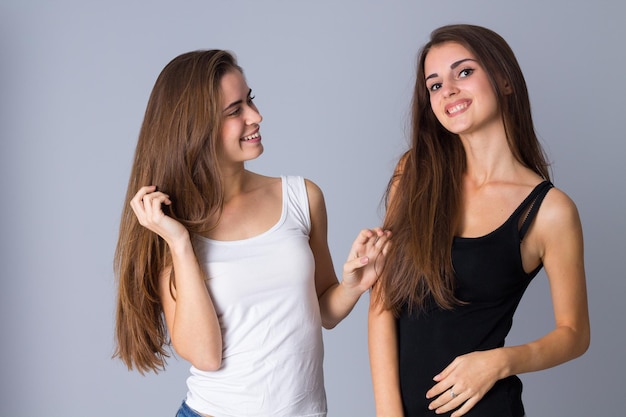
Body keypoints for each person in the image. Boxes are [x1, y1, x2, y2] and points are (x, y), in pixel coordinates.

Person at [113, 49, 390, 417]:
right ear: (195, 128)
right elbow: (207, 355)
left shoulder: (302, 197)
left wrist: (354, 285)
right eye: (235, 111)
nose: (256, 116)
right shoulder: (173, 225)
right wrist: (180, 243)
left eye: (250, 100)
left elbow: (322, 311)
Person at [368, 24, 590, 417]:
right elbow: (383, 299)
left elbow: (574, 335)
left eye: (464, 72)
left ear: (504, 80)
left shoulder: (549, 211)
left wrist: (499, 362)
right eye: (434, 85)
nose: (448, 90)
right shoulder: (415, 174)